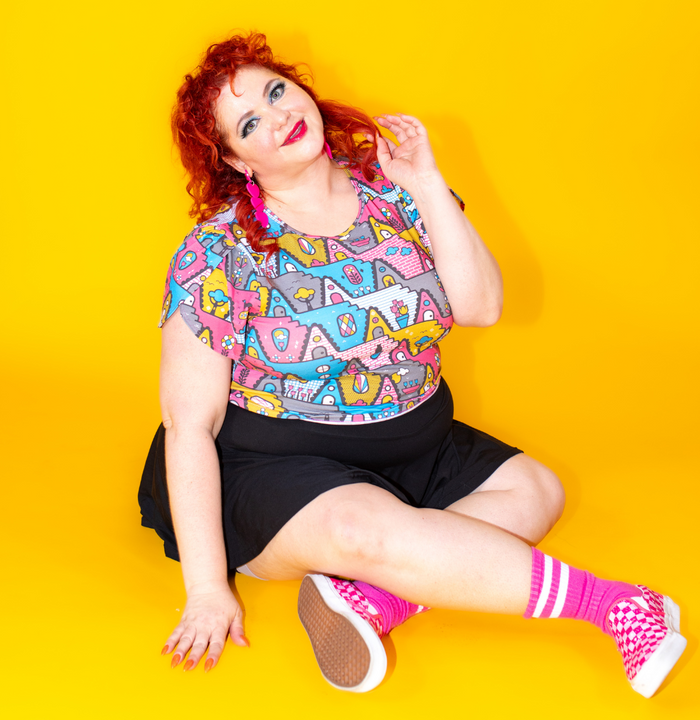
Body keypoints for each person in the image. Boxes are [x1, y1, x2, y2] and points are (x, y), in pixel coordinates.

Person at [138, 31, 686, 697]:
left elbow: (481, 306)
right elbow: (188, 425)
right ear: (234, 159)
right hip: (272, 464)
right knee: (358, 528)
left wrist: (425, 183)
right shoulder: (218, 252)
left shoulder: (392, 191)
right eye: (249, 123)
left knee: (539, 492)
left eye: (276, 92)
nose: (278, 117)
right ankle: (617, 606)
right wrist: (205, 590)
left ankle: (377, 599)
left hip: (415, 441)